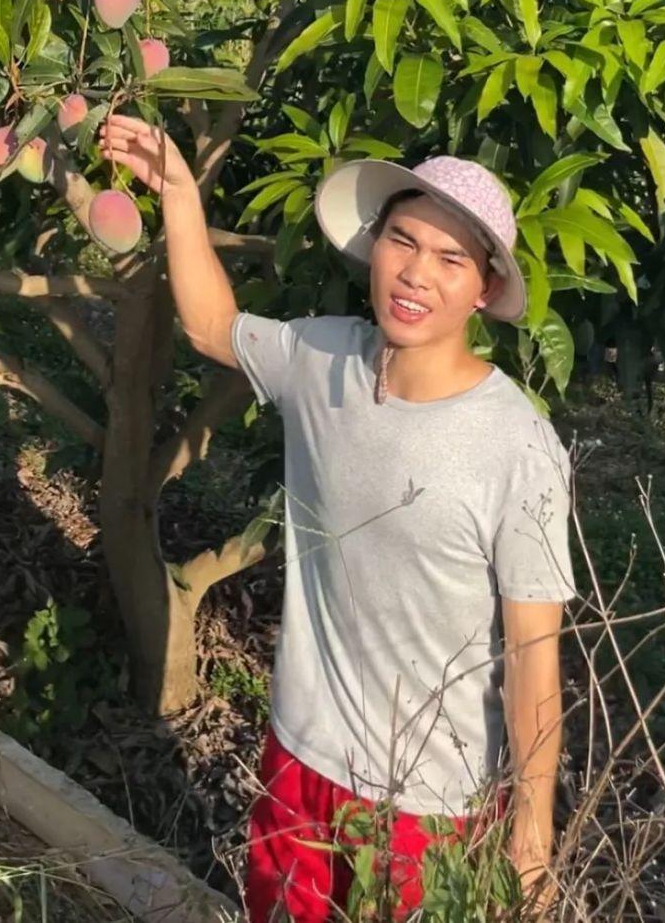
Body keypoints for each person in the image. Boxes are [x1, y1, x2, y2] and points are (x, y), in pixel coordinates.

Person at [99, 118, 575, 921]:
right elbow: (214, 328)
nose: (416, 274)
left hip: (433, 799)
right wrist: (181, 197)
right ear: (374, 245)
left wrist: (531, 840)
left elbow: (533, 657)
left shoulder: (517, 445)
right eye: (403, 241)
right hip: (301, 754)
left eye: (450, 259)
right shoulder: (321, 357)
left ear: (484, 290)